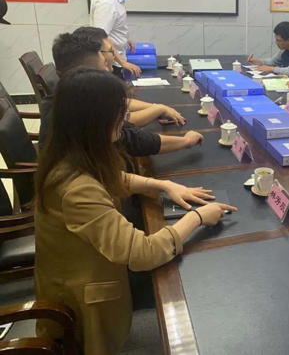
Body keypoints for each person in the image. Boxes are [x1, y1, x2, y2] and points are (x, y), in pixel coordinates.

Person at [34, 67, 237, 354]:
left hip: (84, 269)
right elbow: (143, 253)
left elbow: (114, 178)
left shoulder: (69, 153)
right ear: (94, 121)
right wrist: (198, 216)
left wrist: (162, 185)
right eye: (119, 114)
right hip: (83, 303)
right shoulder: (77, 189)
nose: (125, 119)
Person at [38, 31, 203, 157]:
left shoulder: (65, 99)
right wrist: (185, 141)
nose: (110, 65)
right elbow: (130, 139)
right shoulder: (85, 112)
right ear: (87, 71)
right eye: (106, 58)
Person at [71, 26, 186, 128]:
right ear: (98, 54)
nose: (113, 57)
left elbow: (120, 103)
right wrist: (158, 110)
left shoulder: (89, 80)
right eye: (111, 51)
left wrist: (155, 107)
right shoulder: (85, 87)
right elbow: (119, 122)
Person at [90, 0, 144, 78]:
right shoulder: (107, 1)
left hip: (115, 57)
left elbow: (112, 23)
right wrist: (122, 62)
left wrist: (124, 40)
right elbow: (100, 37)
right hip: (111, 64)